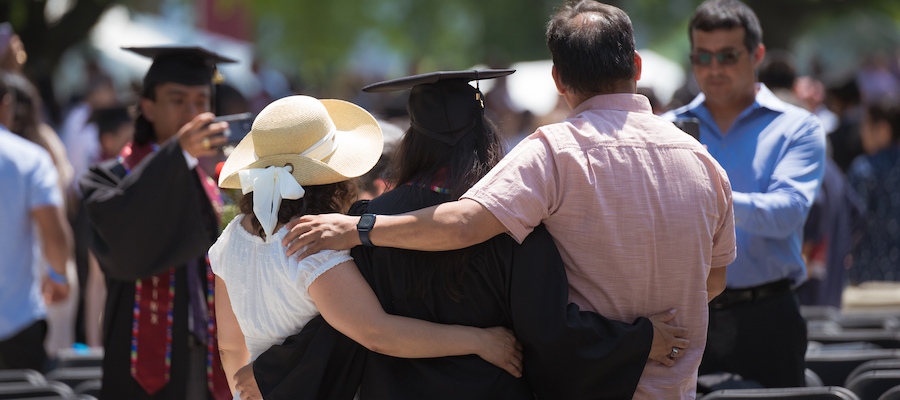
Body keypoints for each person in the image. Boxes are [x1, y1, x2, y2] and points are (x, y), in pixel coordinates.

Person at [280, 3, 736, 398]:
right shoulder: (703, 161)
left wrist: (360, 229)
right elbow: (712, 281)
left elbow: (462, 225)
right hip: (668, 383)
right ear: (636, 66)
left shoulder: (554, 154)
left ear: (558, 78)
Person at [238, 70, 686, 400]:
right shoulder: (512, 223)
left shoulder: (365, 223)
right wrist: (637, 340)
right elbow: (549, 329)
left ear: (413, 139)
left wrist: (270, 373)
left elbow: (351, 328)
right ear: (485, 134)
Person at [211, 94, 527, 399]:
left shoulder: (230, 238)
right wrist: (479, 340)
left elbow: (229, 346)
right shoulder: (313, 243)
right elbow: (377, 334)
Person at [664, 0, 826, 388]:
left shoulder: (798, 127)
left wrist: (704, 198)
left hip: (768, 315)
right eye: (702, 57)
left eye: (727, 56)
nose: (713, 68)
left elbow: (787, 213)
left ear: (757, 55)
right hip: (686, 314)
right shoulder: (665, 129)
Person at [80, 46, 234, 400]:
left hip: (209, 350)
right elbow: (124, 249)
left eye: (201, 101)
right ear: (147, 106)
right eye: (177, 100)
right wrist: (177, 154)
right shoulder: (108, 179)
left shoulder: (214, 183)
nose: (192, 113)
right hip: (140, 361)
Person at [0, 71, 72, 371]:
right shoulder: (29, 158)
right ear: (6, 104)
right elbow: (55, 235)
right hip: (16, 323)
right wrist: (58, 277)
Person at [847, 101, 900, 283]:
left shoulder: (864, 169)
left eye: (866, 125)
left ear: (883, 130)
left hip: (869, 279)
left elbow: (851, 222)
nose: (862, 132)